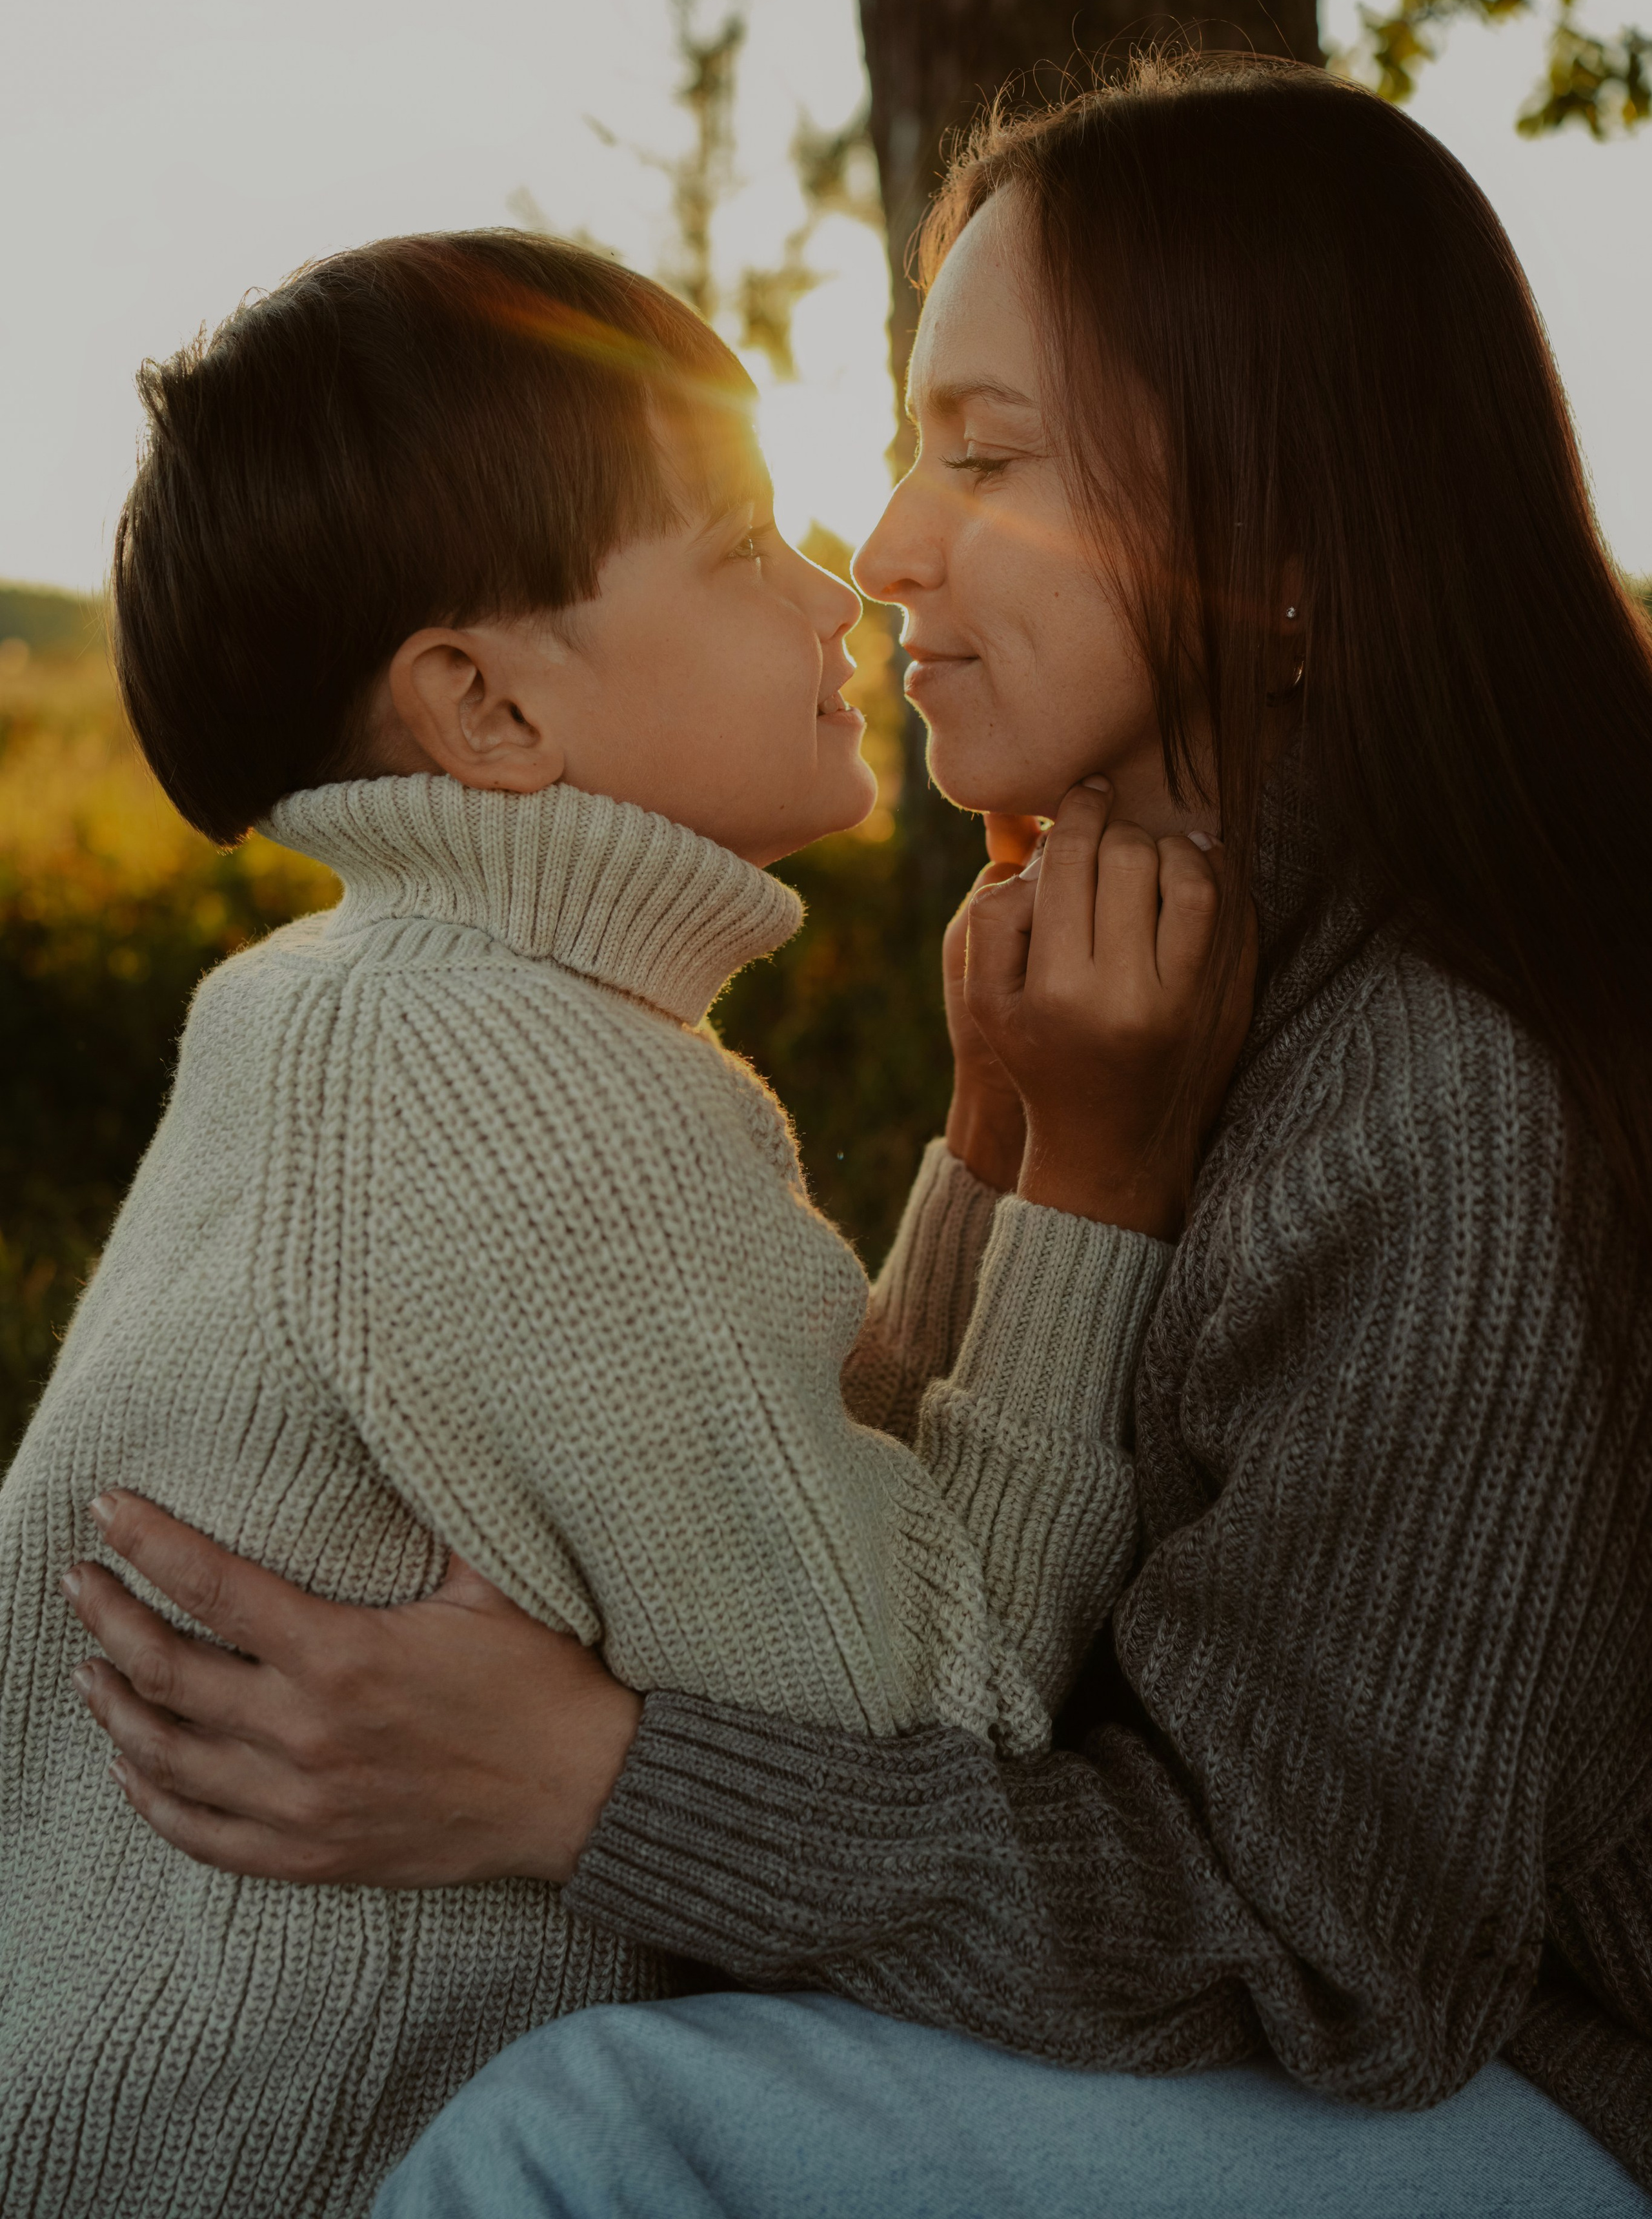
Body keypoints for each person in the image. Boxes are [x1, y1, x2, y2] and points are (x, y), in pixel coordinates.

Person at [64, 57, 1652, 2215]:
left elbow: (1330, 1950)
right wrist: (1011, 1142)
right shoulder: (1124, 984)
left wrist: (586, 1783)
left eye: (984, 455)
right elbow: (871, 1573)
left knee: (596, 2135)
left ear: (1281, 553)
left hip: (1523, 2087)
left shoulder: (1437, 1096)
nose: (884, 546)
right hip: (1225, 2024)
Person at [0, 228, 1247, 2218]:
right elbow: (934, 1728)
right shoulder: (526, 1089)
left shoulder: (341, 1016)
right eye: (739, 542)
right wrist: (1103, 1182)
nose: (837, 591)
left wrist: (995, 1127)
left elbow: (809, 1532)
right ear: (488, 709)